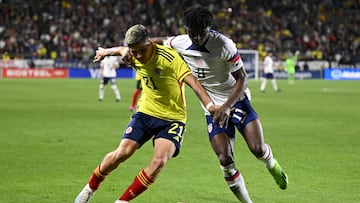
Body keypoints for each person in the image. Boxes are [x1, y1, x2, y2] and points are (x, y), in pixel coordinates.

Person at [153, 5, 288, 202]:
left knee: (257, 149)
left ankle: (271, 164)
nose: (197, 38)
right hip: (213, 109)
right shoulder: (180, 42)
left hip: (237, 101)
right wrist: (128, 50)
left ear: (209, 28)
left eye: (202, 33)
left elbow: (242, 79)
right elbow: (156, 42)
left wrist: (227, 106)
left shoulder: (224, 45)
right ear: (187, 29)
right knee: (225, 159)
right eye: (193, 33)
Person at [74, 24, 216, 203]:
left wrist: (210, 106)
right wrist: (105, 51)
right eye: (134, 52)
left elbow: (194, 82)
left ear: (149, 43)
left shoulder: (169, 58)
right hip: (145, 112)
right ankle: (89, 189)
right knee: (122, 153)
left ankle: (122, 201)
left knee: (159, 162)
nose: (138, 56)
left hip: (172, 119)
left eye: (141, 50)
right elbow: (122, 50)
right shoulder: (131, 53)